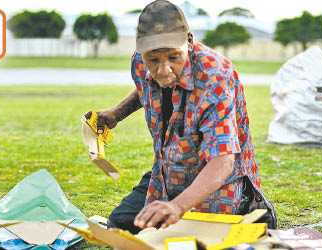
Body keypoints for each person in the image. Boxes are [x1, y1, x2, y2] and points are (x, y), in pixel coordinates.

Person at [94, 0, 276, 234]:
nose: (163, 70)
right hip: (169, 170)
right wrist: (117, 113)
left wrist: (177, 206)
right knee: (122, 226)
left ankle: (253, 209)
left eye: (173, 57)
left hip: (220, 179)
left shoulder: (214, 77)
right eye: (153, 60)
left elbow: (223, 160)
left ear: (189, 42)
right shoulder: (140, 62)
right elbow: (147, 86)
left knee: (196, 238)